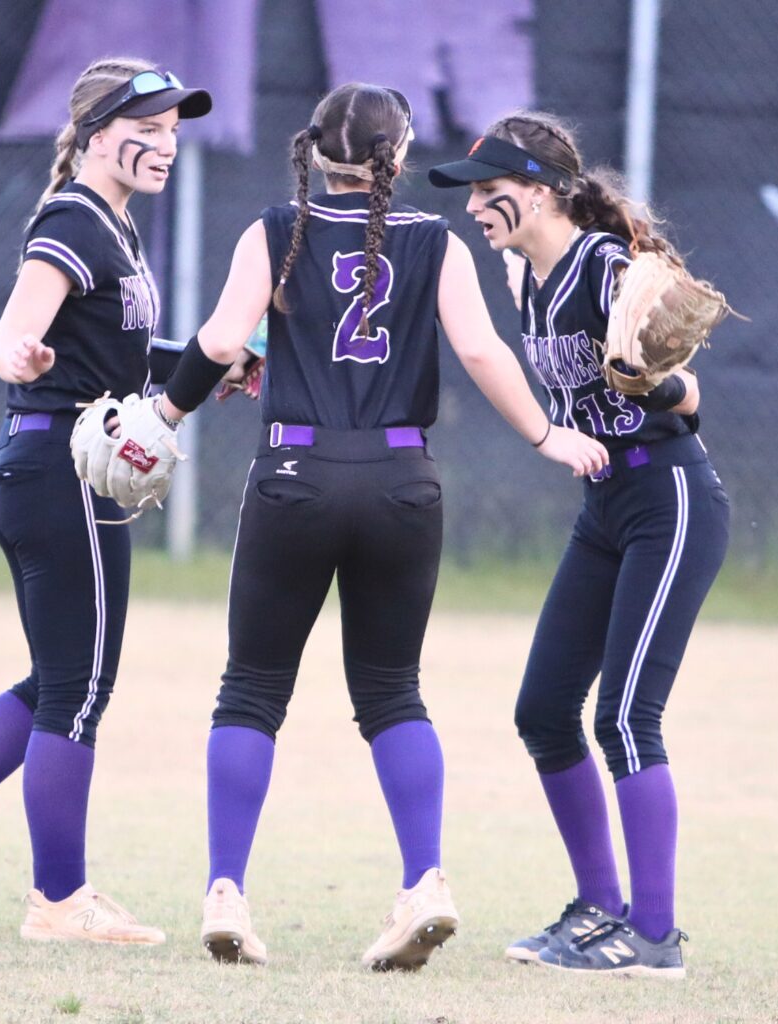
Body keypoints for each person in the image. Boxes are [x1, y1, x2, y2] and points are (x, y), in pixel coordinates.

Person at [146, 83, 608, 970]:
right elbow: (480, 351)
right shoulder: (435, 241)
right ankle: (425, 881)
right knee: (393, 691)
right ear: (396, 160)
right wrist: (549, 434)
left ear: (315, 151)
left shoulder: (274, 230)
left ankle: (227, 893)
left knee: (250, 691)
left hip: (295, 472)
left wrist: (163, 417)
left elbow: (217, 340)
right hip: (401, 478)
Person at [0, 57, 212, 944]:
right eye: (149, 125)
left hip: (44, 469)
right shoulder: (72, 216)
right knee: (80, 688)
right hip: (62, 472)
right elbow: (11, 337)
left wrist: (213, 366)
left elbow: (124, 362)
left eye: (176, 129)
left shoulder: (117, 229)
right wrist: (17, 356)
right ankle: (60, 901)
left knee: (58, 680)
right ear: (99, 132)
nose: (166, 142)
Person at [429, 111, 731, 977]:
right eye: (472, 194)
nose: (478, 208)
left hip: (668, 494)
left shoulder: (605, 265)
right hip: (605, 505)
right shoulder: (528, 280)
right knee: (542, 711)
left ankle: (656, 936)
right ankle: (602, 909)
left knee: (627, 718)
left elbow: (691, 397)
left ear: (544, 191)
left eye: (493, 193)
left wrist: (655, 377)